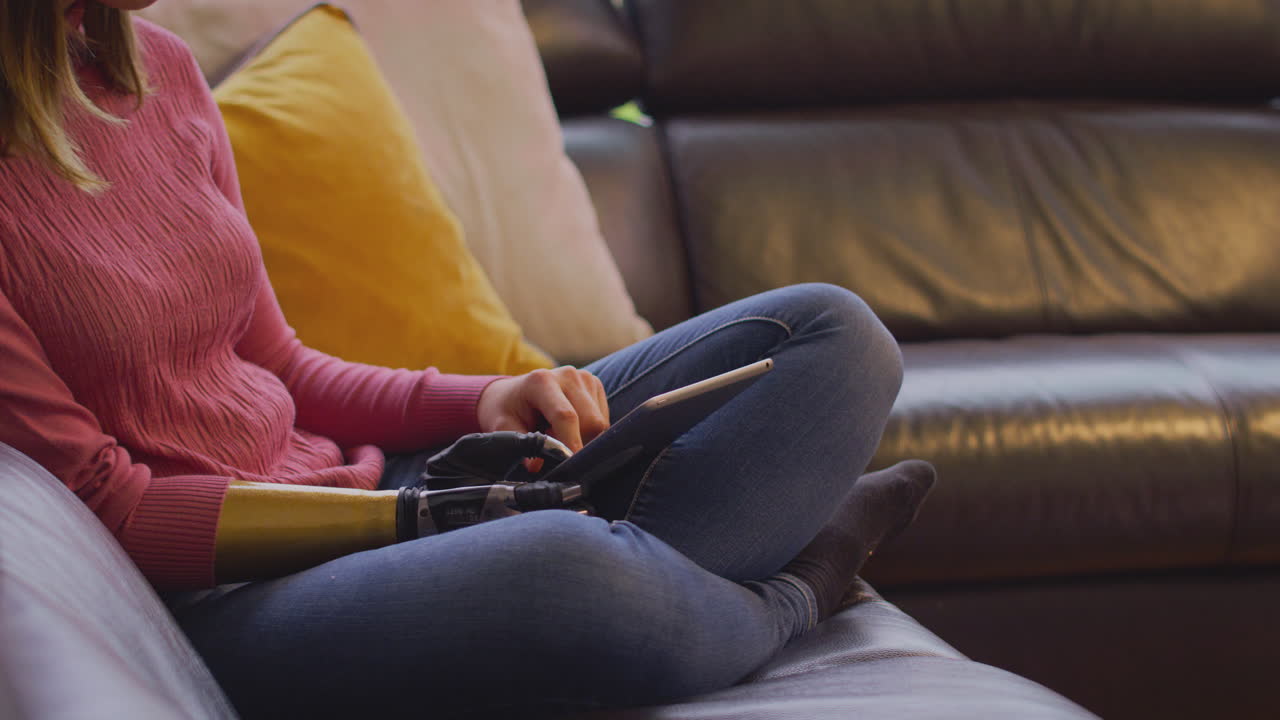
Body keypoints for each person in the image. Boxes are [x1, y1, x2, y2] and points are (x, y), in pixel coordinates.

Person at [0, 0, 936, 716]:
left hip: (377, 495)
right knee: (570, 572)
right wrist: (420, 524)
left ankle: (660, 594)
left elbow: (278, 366)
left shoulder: (155, 66)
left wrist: (487, 399)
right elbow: (107, 508)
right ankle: (793, 589)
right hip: (223, 594)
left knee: (830, 338)